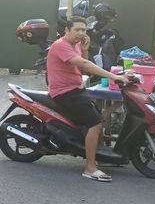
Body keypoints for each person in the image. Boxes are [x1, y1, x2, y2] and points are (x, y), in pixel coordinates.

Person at [47, 16, 129, 182]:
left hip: (76, 89)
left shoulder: (76, 45)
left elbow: (83, 69)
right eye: (77, 29)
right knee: (95, 123)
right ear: (67, 30)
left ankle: (98, 157)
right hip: (64, 93)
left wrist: (85, 49)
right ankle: (90, 168)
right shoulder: (61, 46)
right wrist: (114, 77)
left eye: (84, 30)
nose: (81, 33)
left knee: (98, 117)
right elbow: (85, 65)